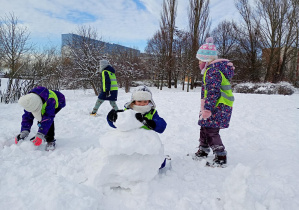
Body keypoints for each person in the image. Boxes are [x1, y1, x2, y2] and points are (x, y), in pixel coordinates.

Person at [195, 37, 235, 166]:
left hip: (218, 106)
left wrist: (207, 109)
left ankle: (220, 156)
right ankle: (203, 150)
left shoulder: (212, 71)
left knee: (211, 130)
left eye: (200, 60)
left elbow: (213, 92)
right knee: (205, 127)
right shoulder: (211, 70)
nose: (198, 63)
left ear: (206, 60)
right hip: (214, 106)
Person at [107, 85, 168, 168]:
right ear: (133, 101)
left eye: (145, 101)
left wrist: (153, 123)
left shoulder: (152, 113)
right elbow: (116, 125)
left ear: (149, 101)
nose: (142, 104)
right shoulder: (127, 112)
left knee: (160, 163)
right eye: (139, 101)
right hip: (129, 141)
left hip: (147, 141)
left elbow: (162, 126)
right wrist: (111, 119)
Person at [15, 86, 66, 151]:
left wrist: (40, 134)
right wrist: (24, 131)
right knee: (41, 119)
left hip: (59, 101)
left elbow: (48, 119)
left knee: (46, 119)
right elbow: (27, 117)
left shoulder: (50, 100)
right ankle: (43, 132)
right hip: (42, 102)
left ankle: (50, 140)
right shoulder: (29, 101)